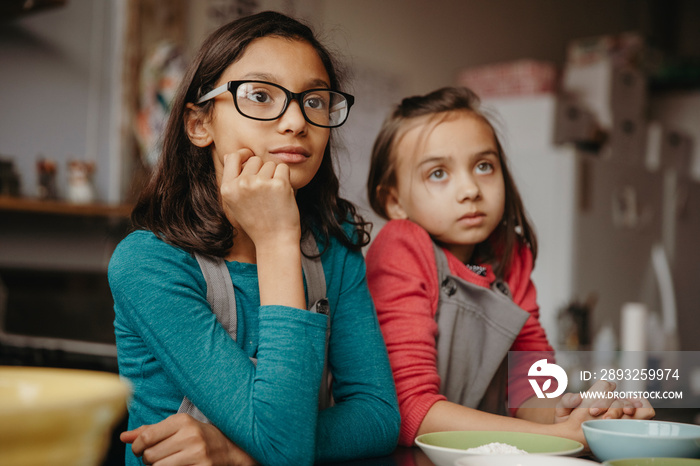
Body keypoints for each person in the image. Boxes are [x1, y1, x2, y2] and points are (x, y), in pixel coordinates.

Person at [109, 11, 400, 466]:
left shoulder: (333, 243)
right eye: (261, 96)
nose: (296, 121)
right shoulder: (148, 263)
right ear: (198, 124)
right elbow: (284, 449)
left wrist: (236, 450)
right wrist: (278, 239)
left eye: (316, 100)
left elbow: (380, 417)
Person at [364, 86, 653, 448]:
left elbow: (530, 387)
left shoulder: (510, 257)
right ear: (395, 202)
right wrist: (553, 436)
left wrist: (577, 415)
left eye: (484, 166)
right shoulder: (400, 245)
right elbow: (411, 411)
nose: (470, 189)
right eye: (438, 173)